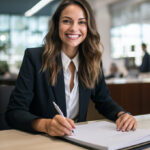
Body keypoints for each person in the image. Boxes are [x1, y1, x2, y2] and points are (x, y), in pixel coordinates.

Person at [6, 0, 137, 136]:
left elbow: (104, 100)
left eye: (81, 22)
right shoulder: (34, 58)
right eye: (67, 21)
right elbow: (14, 112)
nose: (74, 28)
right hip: (42, 139)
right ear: (57, 25)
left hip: (76, 139)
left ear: (88, 27)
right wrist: (46, 125)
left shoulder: (92, 61)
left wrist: (121, 115)